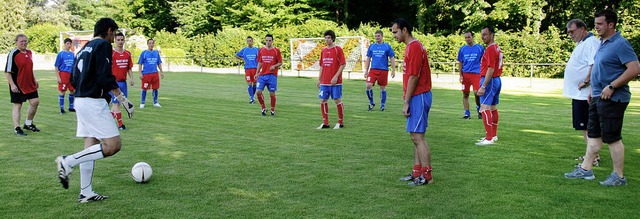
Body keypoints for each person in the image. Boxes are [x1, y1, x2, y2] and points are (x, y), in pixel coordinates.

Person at [55, 17, 135, 203]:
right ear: (108, 30)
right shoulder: (103, 46)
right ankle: (68, 162)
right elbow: (105, 76)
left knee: (91, 146)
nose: (114, 38)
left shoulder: (84, 48)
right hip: (93, 101)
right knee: (113, 145)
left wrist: (82, 92)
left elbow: (74, 78)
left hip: (81, 100)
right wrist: (123, 100)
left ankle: (86, 192)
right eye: (114, 33)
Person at [564, 10, 640, 186]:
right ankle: (585, 170)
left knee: (612, 137)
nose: (595, 27)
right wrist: (594, 90)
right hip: (598, 96)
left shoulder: (620, 44)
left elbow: (635, 68)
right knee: (594, 135)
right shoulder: (602, 43)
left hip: (613, 98)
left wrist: (612, 86)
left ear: (610, 24)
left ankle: (618, 176)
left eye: (599, 24)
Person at [392, 18, 433, 186]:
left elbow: (414, 76)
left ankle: (427, 176)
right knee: (415, 136)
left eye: (395, 32)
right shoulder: (411, 47)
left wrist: (406, 102)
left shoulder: (414, 47)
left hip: (419, 95)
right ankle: (417, 172)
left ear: (405, 30)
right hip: (418, 95)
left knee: (418, 137)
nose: (393, 35)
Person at [562, 19, 601, 166]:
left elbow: (595, 63)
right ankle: (590, 155)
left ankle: (593, 158)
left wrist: (586, 80)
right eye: (568, 32)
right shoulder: (583, 43)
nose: (570, 34)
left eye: (572, 31)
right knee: (584, 127)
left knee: (588, 127)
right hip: (579, 94)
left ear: (582, 28)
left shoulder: (591, 43)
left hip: (585, 94)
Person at [5, 34, 40, 136]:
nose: (24, 43)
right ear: (16, 42)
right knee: (18, 105)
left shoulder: (29, 52)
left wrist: (34, 79)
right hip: (17, 84)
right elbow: (8, 71)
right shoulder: (13, 54)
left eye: (25, 41)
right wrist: (12, 85)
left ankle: (28, 123)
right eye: (21, 41)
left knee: (35, 102)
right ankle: (17, 127)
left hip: (29, 83)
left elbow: (29, 69)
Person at [475, 26, 503, 146]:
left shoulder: (491, 49)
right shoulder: (497, 47)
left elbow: (490, 69)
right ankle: (493, 135)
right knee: (492, 108)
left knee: (484, 108)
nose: (482, 37)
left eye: (485, 34)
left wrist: (483, 86)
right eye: (482, 34)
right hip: (497, 80)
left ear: (492, 35)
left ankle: (488, 138)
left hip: (490, 81)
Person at [316, 30, 346, 129]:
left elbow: (343, 64)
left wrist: (336, 76)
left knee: (337, 100)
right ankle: (325, 123)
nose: (327, 39)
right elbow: (321, 66)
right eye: (326, 38)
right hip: (324, 81)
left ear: (333, 38)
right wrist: (319, 79)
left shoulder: (338, 49)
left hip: (335, 82)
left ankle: (340, 122)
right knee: (323, 100)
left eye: (329, 38)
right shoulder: (323, 50)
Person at [364, 30, 396, 111]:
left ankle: (382, 105)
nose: (377, 37)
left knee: (382, 88)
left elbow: (392, 58)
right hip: (373, 70)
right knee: (368, 85)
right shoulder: (372, 46)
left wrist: (393, 70)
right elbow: (368, 58)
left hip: (383, 70)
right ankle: (371, 103)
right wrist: (366, 70)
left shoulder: (387, 46)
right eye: (376, 36)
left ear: (382, 36)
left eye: (378, 36)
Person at [457, 31, 484, 119]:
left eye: (468, 37)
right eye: (465, 38)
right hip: (465, 75)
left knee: (477, 93)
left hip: (476, 74)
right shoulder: (462, 49)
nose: (467, 39)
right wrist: (460, 75)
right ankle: (467, 113)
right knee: (465, 94)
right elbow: (460, 62)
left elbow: (484, 61)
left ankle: (479, 108)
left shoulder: (480, 48)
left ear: (473, 37)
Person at [110, 32, 134, 130]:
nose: (120, 42)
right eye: (118, 40)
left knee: (119, 103)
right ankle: (120, 124)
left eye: (122, 40)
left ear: (124, 40)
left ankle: (108, 122)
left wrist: (132, 78)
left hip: (123, 82)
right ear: (115, 41)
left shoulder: (127, 53)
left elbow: (129, 68)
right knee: (116, 103)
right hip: (114, 83)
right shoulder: (111, 53)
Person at [254, 34, 282, 116]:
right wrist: (257, 73)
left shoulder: (276, 51)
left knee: (272, 93)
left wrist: (274, 66)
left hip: (272, 75)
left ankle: (272, 109)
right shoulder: (261, 50)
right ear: (265, 41)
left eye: (270, 40)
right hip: (262, 75)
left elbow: (280, 62)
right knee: (258, 92)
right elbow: (259, 62)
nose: (268, 42)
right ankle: (263, 108)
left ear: (272, 41)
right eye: (267, 40)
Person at [138, 38, 164, 108]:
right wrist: (140, 73)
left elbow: (159, 63)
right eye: (150, 43)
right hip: (146, 74)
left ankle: (155, 102)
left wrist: (161, 71)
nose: (151, 45)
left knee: (155, 88)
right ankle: (142, 103)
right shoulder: (144, 53)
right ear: (147, 44)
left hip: (155, 73)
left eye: (152, 43)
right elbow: (140, 63)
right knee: (144, 88)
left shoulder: (156, 53)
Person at [54, 38, 76, 114]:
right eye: (67, 44)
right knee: (62, 91)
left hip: (71, 74)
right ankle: (62, 108)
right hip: (63, 74)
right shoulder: (61, 54)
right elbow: (56, 66)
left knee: (72, 90)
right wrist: (58, 77)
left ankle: (71, 106)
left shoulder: (72, 54)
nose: (69, 45)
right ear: (64, 44)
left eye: (70, 44)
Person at [236, 36, 259, 104]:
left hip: (255, 69)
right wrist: (243, 59)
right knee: (249, 83)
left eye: (250, 41)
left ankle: (252, 96)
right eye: (248, 41)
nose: (249, 42)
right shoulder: (244, 50)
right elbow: (237, 55)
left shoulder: (256, 49)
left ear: (252, 41)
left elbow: (260, 57)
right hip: (248, 69)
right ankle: (251, 98)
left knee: (255, 84)